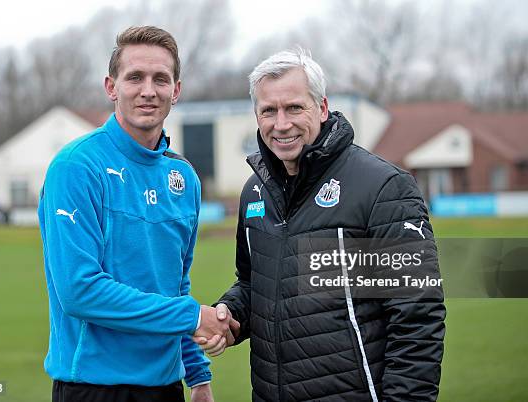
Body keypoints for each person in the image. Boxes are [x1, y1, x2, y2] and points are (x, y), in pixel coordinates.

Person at [194, 49, 446, 401]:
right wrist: (230, 315)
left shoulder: (381, 188)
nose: (281, 124)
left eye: (294, 107)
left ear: (322, 107)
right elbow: (257, 284)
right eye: (269, 111)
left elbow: (417, 317)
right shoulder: (255, 192)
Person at [38, 26, 236, 402]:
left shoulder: (185, 179)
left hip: (165, 389)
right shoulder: (77, 166)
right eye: (135, 78)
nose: (148, 90)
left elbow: (175, 287)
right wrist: (193, 317)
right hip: (93, 389)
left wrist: (197, 375)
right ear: (111, 87)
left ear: (175, 91)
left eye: (161, 79)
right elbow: (79, 291)